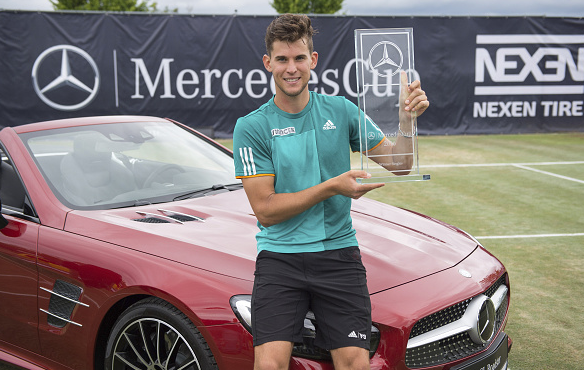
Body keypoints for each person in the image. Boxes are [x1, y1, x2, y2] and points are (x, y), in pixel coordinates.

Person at [233, 13, 429, 370]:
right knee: (269, 365)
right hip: (280, 259)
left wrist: (405, 120)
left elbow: (400, 163)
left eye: (299, 58)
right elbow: (266, 210)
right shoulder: (252, 127)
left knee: (355, 363)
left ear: (313, 60)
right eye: (282, 59)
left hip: (339, 256)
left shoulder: (340, 110)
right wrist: (331, 187)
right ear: (268, 63)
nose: (291, 69)